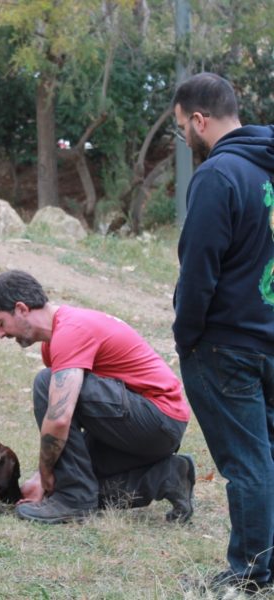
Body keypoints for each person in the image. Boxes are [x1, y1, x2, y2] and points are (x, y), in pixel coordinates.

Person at [0, 269, 194, 525]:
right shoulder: (55, 343)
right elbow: (80, 418)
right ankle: (169, 477)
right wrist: (48, 479)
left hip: (157, 420)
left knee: (45, 382)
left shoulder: (70, 331)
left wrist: (46, 472)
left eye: (0, 323)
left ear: (21, 309)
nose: (0, 334)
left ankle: (73, 501)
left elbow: (60, 419)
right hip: (141, 426)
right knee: (82, 485)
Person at [172, 72, 274, 595]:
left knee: (247, 463)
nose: (184, 140)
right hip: (269, 334)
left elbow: (199, 270)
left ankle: (252, 572)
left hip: (225, 343)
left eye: (181, 129)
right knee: (267, 455)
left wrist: (185, 335)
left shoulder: (219, 175)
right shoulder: (267, 169)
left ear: (199, 119)